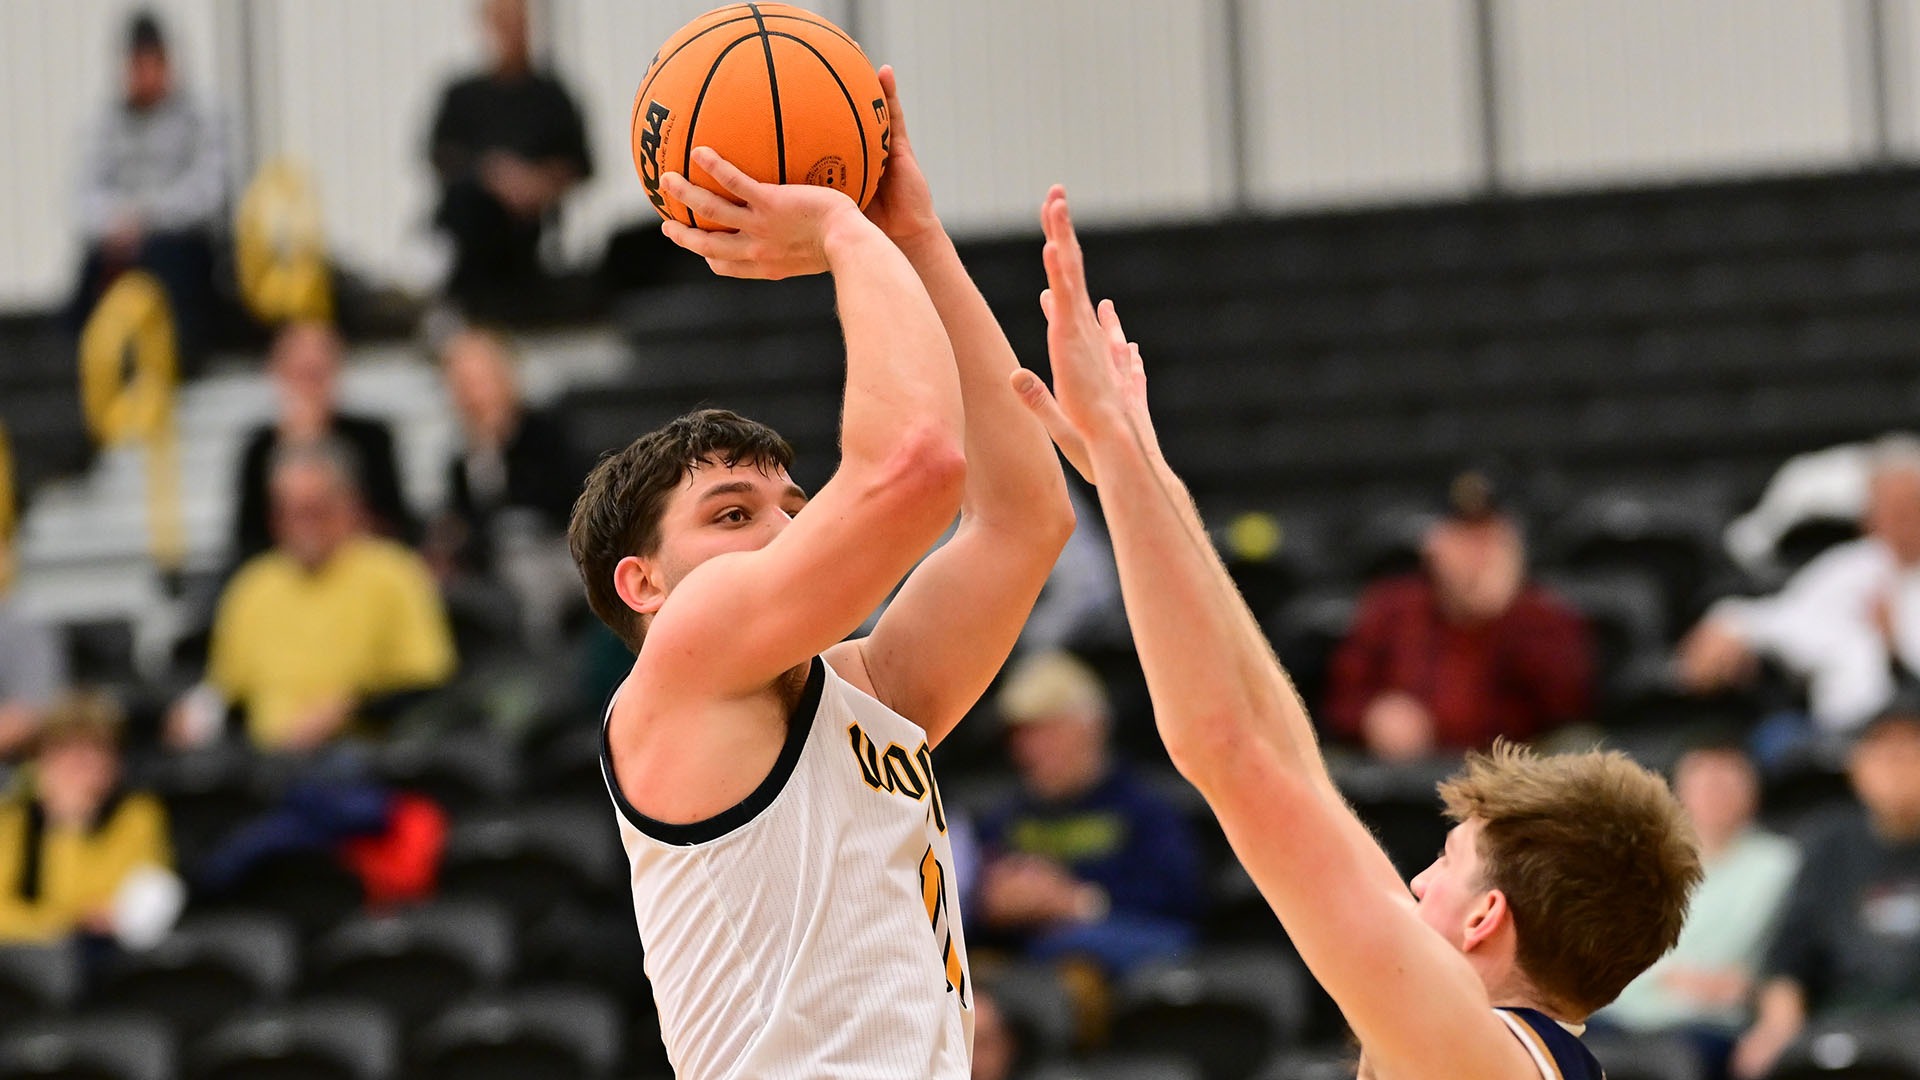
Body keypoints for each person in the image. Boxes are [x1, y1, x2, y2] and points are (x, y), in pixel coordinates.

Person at [1012, 187, 1701, 1080]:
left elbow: (1229, 753)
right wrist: (1143, 478)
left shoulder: (1479, 1056)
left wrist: (1118, 452)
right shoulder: (1484, 1044)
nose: (1412, 882)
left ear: (1487, 916)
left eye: (1444, 865)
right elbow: (1285, 758)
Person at [567, 69, 1073, 1078]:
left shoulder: (872, 691)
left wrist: (916, 236)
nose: (779, 532)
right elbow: (921, 465)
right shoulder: (687, 659)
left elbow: (1026, 522)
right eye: (731, 515)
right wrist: (845, 237)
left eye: (792, 509)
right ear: (644, 585)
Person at [185, 442, 455, 752]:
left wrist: (348, 708)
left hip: (366, 754)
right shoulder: (252, 586)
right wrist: (193, 713)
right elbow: (224, 690)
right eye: (290, 513)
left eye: (316, 511)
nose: (303, 527)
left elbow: (427, 681)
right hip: (267, 762)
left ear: (350, 506)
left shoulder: (393, 573)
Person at [1327, 480, 1594, 761]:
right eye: (1462, 537)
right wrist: (1373, 717)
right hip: (1405, 775)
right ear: (1433, 544)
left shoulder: (1542, 615)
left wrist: (1502, 616)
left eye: (1487, 539)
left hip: (1514, 779)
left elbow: (1569, 706)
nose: (1475, 555)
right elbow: (1340, 702)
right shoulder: (1392, 608)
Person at [1680, 436, 1920, 743]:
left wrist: (1894, 648)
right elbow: (1783, 619)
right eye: (1887, 509)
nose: (1899, 521)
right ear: (1869, 517)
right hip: (1838, 740)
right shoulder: (1849, 568)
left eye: (1909, 507)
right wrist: (1729, 624)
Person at [978, 651, 1202, 976]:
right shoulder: (1004, 819)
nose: (1030, 750)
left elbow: (1179, 903)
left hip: (1121, 966)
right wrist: (989, 903)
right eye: (1021, 736)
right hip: (1024, 970)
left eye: (1047, 731)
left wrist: (1077, 902)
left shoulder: (1146, 810)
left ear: (1092, 727)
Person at [1730, 703, 1920, 1079]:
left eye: (1908, 753)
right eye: (1881, 754)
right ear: (1857, 768)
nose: (1895, 769)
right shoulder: (1829, 844)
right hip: (1841, 1014)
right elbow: (1789, 954)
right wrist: (1776, 1025)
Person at [1601, 743, 1800, 1080]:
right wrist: (1667, 976)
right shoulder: (1642, 863)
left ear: (1752, 790)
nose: (1715, 793)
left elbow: (1791, 946)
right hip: (1620, 1013)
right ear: (1679, 792)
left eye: (1726, 781)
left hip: (1709, 1024)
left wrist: (1750, 989)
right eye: (1704, 782)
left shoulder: (1782, 863)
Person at [69, 10, 225, 362]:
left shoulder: (199, 116)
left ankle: (177, 360)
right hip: (121, 242)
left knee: (170, 261)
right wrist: (115, 221)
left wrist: (146, 217)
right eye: (138, 65)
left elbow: (208, 193)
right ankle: (89, 365)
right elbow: (81, 195)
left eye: (153, 64)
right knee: (87, 278)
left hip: (178, 242)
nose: (145, 75)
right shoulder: (105, 123)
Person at [426, 0, 593, 313]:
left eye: (519, 21)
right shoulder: (461, 95)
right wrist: (492, 176)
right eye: (503, 21)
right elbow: (439, 155)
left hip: (530, 246)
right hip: (471, 250)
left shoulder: (552, 96)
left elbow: (581, 163)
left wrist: (540, 182)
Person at [0, 692, 180, 949]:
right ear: (41, 760)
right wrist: (64, 925)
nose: (79, 765)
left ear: (115, 763)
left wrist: (70, 825)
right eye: (66, 751)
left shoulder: (137, 816)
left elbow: (133, 905)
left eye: (94, 751)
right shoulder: (11, 819)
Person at [232, 322, 415, 561]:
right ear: (278, 373)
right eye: (301, 373)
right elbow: (247, 542)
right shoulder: (259, 449)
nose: (309, 386)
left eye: (318, 373)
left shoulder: (373, 439)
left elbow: (397, 527)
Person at [428, 327, 578, 578]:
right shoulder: (461, 459)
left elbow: (564, 501)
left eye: (479, 381)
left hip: (554, 558)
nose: (473, 395)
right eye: (462, 385)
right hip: (494, 575)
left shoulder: (546, 435)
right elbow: (466, 523)